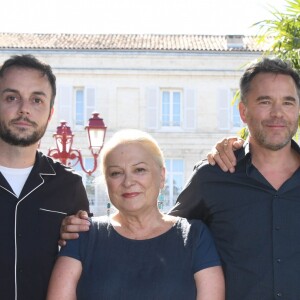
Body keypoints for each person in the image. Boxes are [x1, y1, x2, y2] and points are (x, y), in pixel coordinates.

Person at [170, 57, 300, 300]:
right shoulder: (212, 177)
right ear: (243, 111)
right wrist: (87, 231)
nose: (278, 113)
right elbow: (164, 237)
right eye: (265, 101)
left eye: (288, 102)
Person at [47, 129, 225, 300]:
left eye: (139, 170)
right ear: (107, 182)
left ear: (162, 176)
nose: (128, 182)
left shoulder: (194, 236)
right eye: (116, 173)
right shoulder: (82, 235)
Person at [0, 54, 90, 300]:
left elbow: (83, 268)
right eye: (11, 97)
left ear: (50, 113)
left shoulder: (70, 186)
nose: (24, 109)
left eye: (36, 100)